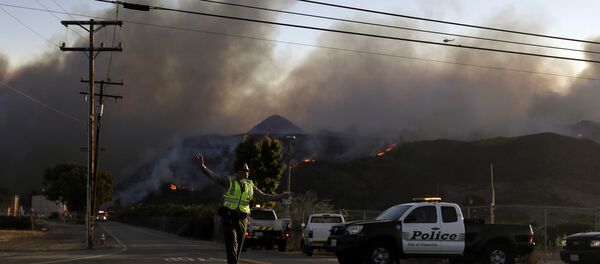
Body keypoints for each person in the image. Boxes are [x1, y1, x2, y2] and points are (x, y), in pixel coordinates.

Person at [196, 154, 290, 264]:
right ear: (238, 171)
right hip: (229, 218)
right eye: (245, 170)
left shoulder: (250, 185)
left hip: (242, 220)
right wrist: (203, 167)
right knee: (232, 245)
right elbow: (214, 177)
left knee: (238, 247)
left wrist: (280, 197)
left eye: (248, 171)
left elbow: (264, 197)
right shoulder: (229, 181)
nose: (247, 173)